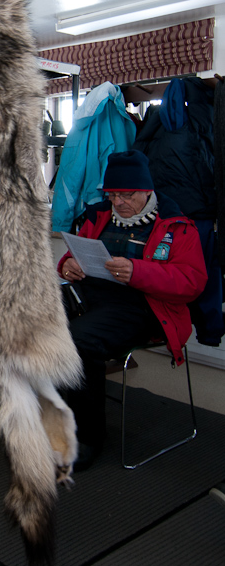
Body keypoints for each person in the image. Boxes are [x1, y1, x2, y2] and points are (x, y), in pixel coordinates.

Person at [58, 149, 207, 470]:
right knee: (33, 316)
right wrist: (68, 265)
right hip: (94, 297)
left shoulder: (177, 226)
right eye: (113, 195)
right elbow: (76, 251)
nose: (119, 202)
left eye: (127, 195)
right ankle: (47, 414)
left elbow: (193, 282)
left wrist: (138, 272)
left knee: (78, 341)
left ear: (147, 191)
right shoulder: (98, 216)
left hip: (143, 307)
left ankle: (87, 437)